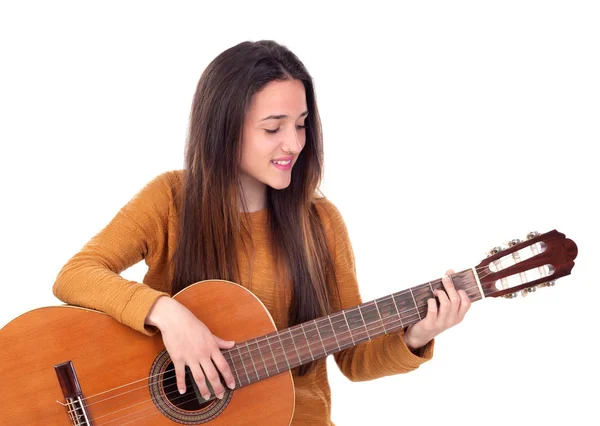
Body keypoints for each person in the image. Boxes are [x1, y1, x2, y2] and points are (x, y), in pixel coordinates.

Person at [52, 39, 471, 425]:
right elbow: (76, 274)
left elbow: (353, 358)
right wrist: (169, 316)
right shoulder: (170, 198)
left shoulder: (322, 224)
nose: (293, 144)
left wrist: (417, 335)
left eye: (302, 124)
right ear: (224, 129)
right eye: (273, 128)